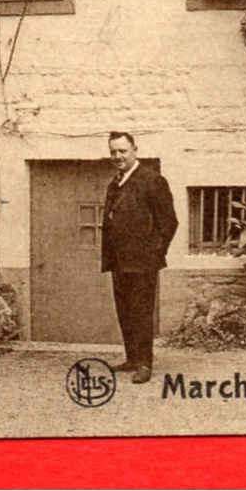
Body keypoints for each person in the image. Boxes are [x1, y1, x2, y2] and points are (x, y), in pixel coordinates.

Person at [100, 131, 178, 385]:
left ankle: (145, 364)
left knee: (141, 312)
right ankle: (132, 358)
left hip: (143, 261)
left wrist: (154, 254)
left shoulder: (152, 181)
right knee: (125, 311)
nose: (118, 156)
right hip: (119, 261)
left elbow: (169, 222)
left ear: (135, 150)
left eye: (122, 151)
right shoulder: (116, 182)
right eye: (113, 152)